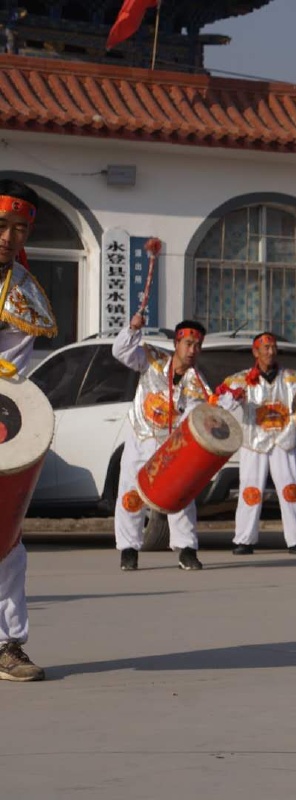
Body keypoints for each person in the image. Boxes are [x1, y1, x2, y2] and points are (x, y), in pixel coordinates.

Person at [0, 179, 56, 682]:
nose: (7, 237)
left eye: (19, 229)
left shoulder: (23, 290)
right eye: (1, 224)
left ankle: (7, 644)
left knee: (6, 539)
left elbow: (12, 370)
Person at [112, 315, 211, 571]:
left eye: (197, 345)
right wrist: (133, 328)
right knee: (130, 494)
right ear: (177, 343)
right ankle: (129, 549)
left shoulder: (197, 383)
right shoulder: (152, 359)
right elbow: (120, 351)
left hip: (171, 448)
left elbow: (195, 416)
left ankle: (186, 549)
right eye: (188, 344)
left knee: (181, 496)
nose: (192, 350)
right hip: (140, 437)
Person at [214, 332, 296, 556]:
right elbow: (218, 401)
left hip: (283, 441)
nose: (270, 352)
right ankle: (244, 539)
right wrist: (234, 397)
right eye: (265, 348)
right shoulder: (240, 379)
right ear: (255, 352)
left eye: (273, 347)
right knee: (250, 490)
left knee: (290, 489)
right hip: (254, 441)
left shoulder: (292, 378)